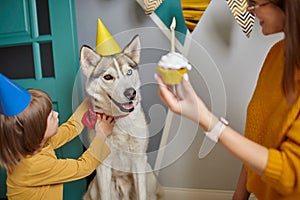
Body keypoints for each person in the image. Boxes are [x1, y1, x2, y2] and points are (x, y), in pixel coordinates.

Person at [156, 0, 300, 199]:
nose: (251, 11)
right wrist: (239, 196)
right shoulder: (277, 54)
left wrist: (207, 120)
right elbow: (255, 140)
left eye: (257, 4)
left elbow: (290, 174)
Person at [0, 76, 115, 199]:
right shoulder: (32, 165)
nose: (56, 114)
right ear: (36, 131)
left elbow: (71, 128)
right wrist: (101, 135)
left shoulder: (36, 143)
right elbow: (83, 168)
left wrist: (89, 102)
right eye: (50, 116)